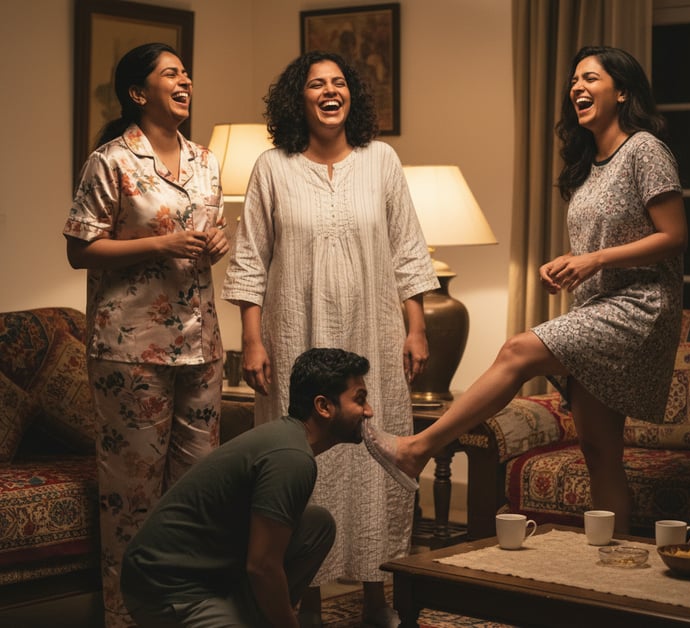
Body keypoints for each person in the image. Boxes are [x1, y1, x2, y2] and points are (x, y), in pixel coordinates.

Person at [365, 45, 688, 534]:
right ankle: (611, 564)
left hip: (639, 309)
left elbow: (675, 237)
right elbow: (603, 239)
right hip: (599, 304)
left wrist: (593, 259)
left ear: (622, 92)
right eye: (574, 80)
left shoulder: (644, 149)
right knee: (601, 451)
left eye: (592, 79)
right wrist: (568, 265)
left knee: (517, 350)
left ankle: (416, 449)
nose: (577, 87)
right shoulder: (591, 164)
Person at [221, 50, 438, 626]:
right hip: (295, 335)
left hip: (373, 333)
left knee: (373, 456)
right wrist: (252, 339)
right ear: (299, 99)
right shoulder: (272, 166)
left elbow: (408, 250)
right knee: (302, 462)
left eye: (338, 83)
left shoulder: (382, 161)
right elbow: (250, 260)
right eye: (316, 84)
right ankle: (306, 603)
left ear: (352, 97)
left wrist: (416, 327)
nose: (329, 91)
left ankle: (376, 599)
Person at [63, 43, 229, 628]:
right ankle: (126, 616)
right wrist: (160, 243)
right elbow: (79, 249)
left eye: (187, 71)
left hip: (202, 345)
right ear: (139, 92)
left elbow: (212, 234)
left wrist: (216, 243)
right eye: (170, 73)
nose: (185, 80)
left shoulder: (208, 161)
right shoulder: (110, 162)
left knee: (197, 492)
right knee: (132, 496)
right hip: (130, 348)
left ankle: (188, 611)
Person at [120, 348, 374, 627]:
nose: (369, 411)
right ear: (324, 406)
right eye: (360, 400)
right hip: (167, 586)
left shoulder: (290, 442)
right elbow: (262, 566)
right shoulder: (292, 458)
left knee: (317, 524)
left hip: (214, 574)